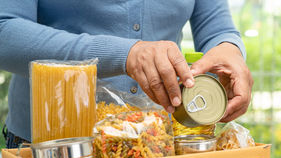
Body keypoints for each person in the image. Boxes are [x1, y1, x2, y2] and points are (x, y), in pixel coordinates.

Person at [0, 0, 253, 149]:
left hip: (155, 143)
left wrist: (229, 49)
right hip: (57, 146)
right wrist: (125, 54)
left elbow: (217, 28)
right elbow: (5, 31)